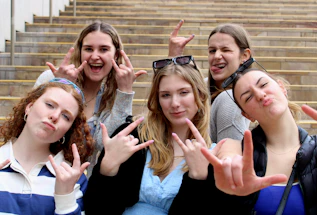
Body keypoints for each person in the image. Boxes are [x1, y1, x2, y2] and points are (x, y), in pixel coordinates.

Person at [83, 56, 228, 215]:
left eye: (183, 92)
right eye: (165, 95)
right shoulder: (132, 137)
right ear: (157, 100)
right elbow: (94, 209)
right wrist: (106, 169)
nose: (174, 103)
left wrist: (197, 177)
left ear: (200, 95)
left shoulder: (211, 156)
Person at [201, 68, 317, 214]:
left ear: (281, 87)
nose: (260, 95)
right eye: (248, 97)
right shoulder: (239, 153)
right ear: (247, 115)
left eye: (263, 84)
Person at [34, 20, 147, 176]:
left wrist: (125, 92)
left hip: (82, 182)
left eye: (104, 49)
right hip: (39, 169)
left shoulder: (115, 94)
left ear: (116, 54)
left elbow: (105, 144)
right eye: (88, 49)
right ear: (79, 52)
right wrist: (62, 87)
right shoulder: (51, 78)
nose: (95, 56)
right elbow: (31, 125)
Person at [0, 78, 94, 215]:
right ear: (29, 107)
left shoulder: (72, 178)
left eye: (66, 116)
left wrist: (65, 196)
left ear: (68, 129)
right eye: (50, 105)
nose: (55, 116)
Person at [168, 20, 251, 143]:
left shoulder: (230, 99)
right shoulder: (201, 86)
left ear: (244, 56)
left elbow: (229, 157)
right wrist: (173, 58)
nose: (217, 56)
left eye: (225, 50)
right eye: (212, 50)